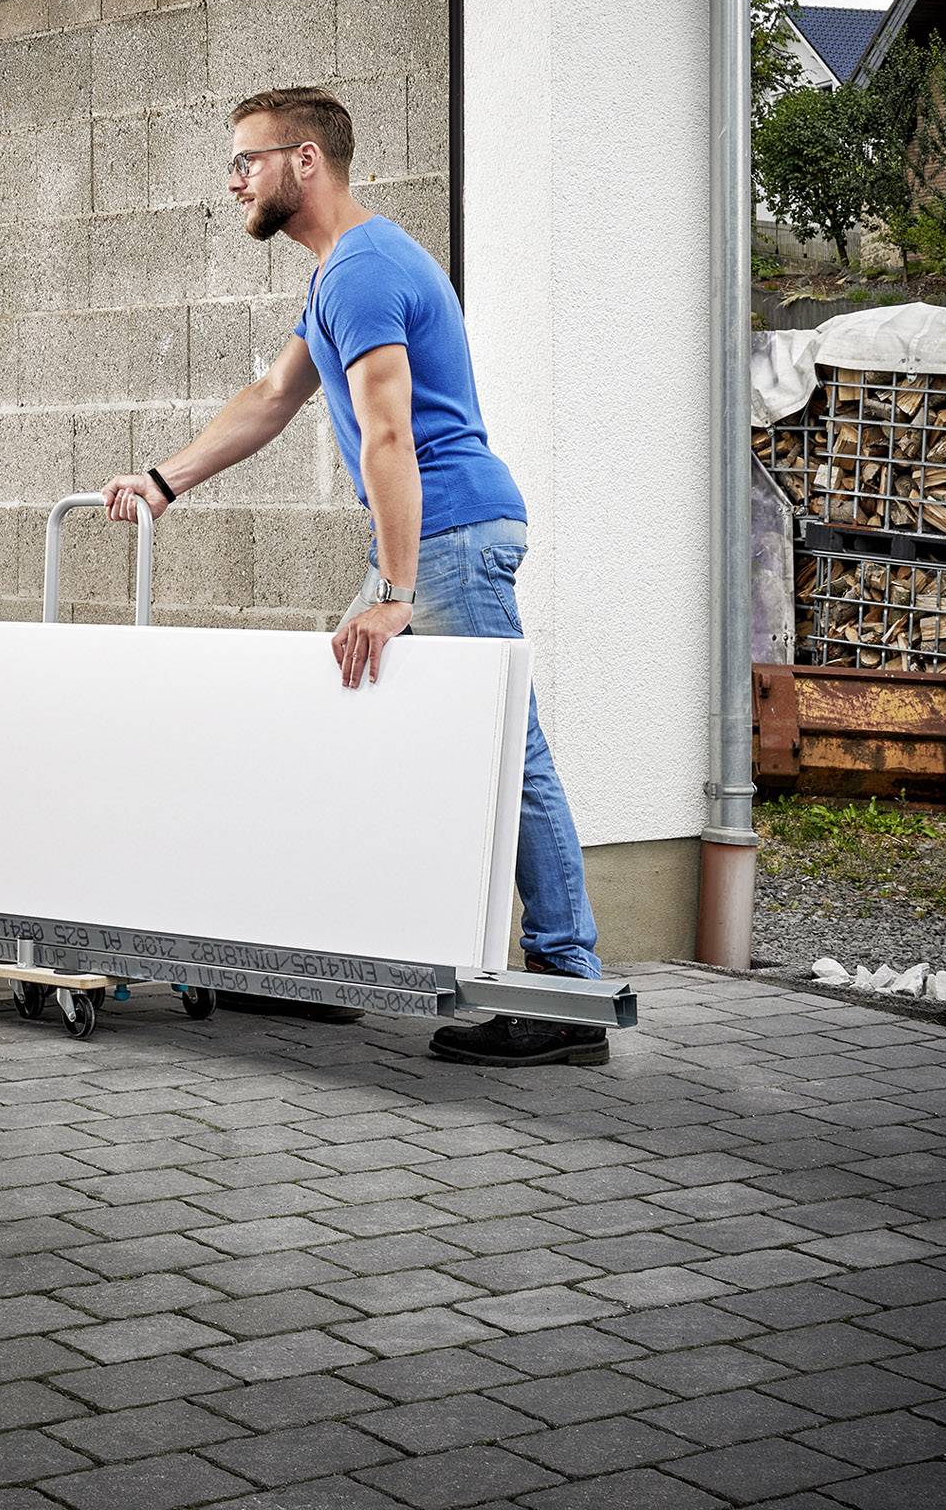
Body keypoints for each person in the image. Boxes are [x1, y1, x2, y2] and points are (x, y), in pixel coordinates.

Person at [102, 84, 607, 1068]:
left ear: (305, 160)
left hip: (447, 537)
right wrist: (166, 481)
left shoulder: (363, 271)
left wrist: (393, 593)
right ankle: (324, 967)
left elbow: (386, 435)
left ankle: (566, 988)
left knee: (509, 757)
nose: (234, 181)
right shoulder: (341, 270)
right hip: (432, 538)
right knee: (340, 727)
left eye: (246, 160)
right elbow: (272, 394)